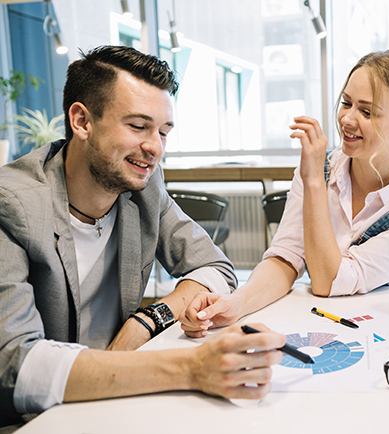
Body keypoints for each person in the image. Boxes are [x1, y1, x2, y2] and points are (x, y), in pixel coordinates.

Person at [0, 45, 286, 424]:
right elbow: (16, 363)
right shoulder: (12, 203)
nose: (154, 148)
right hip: (36, 419)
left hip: (117, 402)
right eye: (137, 126)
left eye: (163, 131)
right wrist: (189, 368)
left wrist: (147, 321)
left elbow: (215, 267)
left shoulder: (142, 187)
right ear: (82, 121)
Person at [180, 49, 389, 338]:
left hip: (384, 335)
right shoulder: (321, 168)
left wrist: (313, 183)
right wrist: (237, 302)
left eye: (367, 111)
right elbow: (286, 258)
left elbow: (329, 281)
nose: (347, 119)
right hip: (315, 326)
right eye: (346, 103)